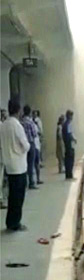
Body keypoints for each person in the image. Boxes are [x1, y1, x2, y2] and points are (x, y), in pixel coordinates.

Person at [2, 97, 30, 232]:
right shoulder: (17, 125)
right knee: (19, 197)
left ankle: (9, 221)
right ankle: (16, 223)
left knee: (12, 196)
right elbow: (25, 145)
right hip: (19, 166)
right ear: (18, 110)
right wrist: (27, 146)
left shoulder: (4, 125)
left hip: (9, 165)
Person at [19, 106, 38, 190]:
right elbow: (34, 134)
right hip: (30, 143)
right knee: (31, 164)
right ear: (30, 112)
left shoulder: (21, 122)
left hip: (22, 144)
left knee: (24, 163)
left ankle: (25, 183)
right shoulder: (30, 122)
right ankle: (31, 182)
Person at [62, 110, 76, 178]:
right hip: (69, 145)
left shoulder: (65, 124)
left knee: (68, 159)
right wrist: (74, 139)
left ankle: (68, 174)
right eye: (71, 115)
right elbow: (69, 134)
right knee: (70, 160)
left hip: (67, 144)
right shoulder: (68, 124)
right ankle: (69, 174)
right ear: (69, 116)